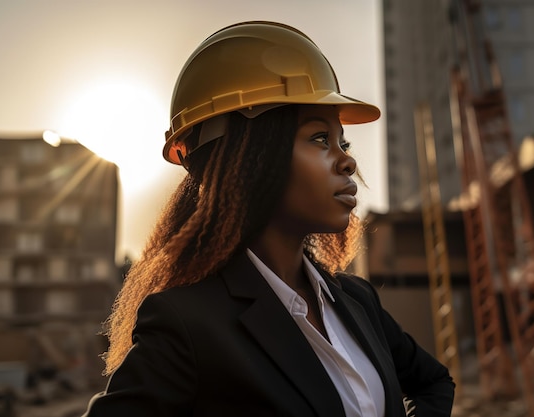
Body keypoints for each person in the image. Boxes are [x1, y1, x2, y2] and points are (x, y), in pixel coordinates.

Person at [82, 21, 454, 417]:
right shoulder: (188, 324)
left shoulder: (356, 300)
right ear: (250, 160)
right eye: (319, 139)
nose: (347, 160)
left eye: (342, 141)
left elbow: (434, 383)